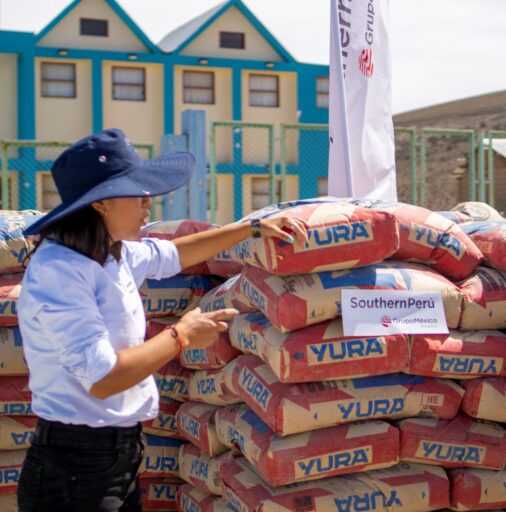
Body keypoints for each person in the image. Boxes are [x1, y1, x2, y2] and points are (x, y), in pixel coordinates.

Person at [15, 128, 307, 512]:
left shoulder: (110, 255)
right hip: (74, 469)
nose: (147, 203)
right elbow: (103, 379)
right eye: (136, 194)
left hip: (116, 458)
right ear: (101, 204)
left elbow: (172, 254)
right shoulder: (61, 270)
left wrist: (249, 229)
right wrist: (180, 336)